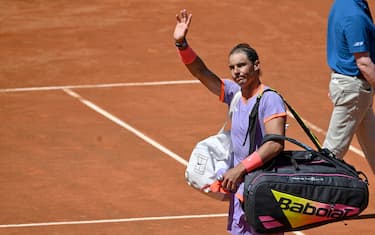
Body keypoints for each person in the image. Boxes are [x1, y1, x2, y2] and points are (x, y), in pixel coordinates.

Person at [173, 9, 287, 235]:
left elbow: (275, 144)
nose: (236, 72)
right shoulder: (235, 93)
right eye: (232, 67)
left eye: (242, 65)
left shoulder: (270, 99)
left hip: (264, 190)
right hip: (241, 189)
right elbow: (202, 73)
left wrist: (239, 169)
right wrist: (182, 44)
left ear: (256, 65)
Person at [324, 0, 375, 173]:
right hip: (354, 90)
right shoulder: (355, 16)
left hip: (352, 88)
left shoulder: (344, 3)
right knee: (332, 154)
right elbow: (364, 63)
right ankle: (316, 196)